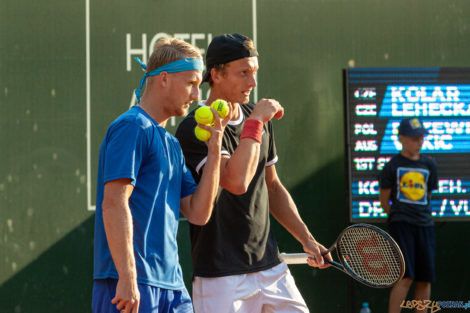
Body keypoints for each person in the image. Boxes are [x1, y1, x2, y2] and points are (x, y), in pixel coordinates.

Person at [175, 33, 331, 313]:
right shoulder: (195, 129)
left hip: (271, 268)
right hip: (220, 277)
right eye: (243, 73)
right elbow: (236, 181)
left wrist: (306, 239)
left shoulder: (257, 120)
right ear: (216, 74)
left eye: (254, 72)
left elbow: (272, 187)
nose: (253, 83)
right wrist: (257, 120)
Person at [92, 37, 231, 313]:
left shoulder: (172, 144)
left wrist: (215, 151)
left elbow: (198, 213)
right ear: (164, 78)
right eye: (190, 83)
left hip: (173, 287)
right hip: (131, 284)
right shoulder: (131, 127)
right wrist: (127, 276)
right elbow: (114, 202)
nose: (196, 96)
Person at [379, 117, 438, 313]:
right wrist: (398, 216)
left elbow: (428, 196)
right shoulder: (392, 165)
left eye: (421, 138)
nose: (419, 142)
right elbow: (384, 201)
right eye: (414, 138)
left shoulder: (429, 165)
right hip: (401, 225)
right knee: (406, 275)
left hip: (425, 226)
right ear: (402, 138)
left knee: (425, 278)